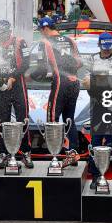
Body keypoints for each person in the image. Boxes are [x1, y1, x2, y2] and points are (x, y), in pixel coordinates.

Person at [82, 32, 112, 190]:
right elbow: (85, 81)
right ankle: (95, 176)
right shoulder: (92, 58)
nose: (107, 51)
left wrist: (95, 81)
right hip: (96, 106)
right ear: (99, 45)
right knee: (95, 143)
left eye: (109, 47)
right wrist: (95, 82)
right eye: (104, 48)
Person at [31, 16, 82, 158]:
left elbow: (40, 69)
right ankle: (73, 153)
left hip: (61, 82)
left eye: (41, 30)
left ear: (45, 28)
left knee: (52, 118)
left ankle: (55, 154)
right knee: (69, 118)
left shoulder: (45, 42)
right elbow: (79, 63)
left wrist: (33, 76)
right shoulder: (71, 40)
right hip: (74, 82)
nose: (41, 33)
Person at [0, 20, 33, 169]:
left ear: (9, 31)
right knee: (3, 120)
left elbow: (27, 63)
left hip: (17, 85)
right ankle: (3, 152)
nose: (0, 36)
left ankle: (26, 152)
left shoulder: (20, 41)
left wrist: (13, 77)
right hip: (2, 86)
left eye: (2, 33)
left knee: (23, 119)